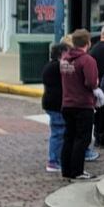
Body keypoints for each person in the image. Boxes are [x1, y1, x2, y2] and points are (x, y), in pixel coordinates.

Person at [58, 29, 101, 181]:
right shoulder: (87, 60)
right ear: (88, 43)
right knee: (82, 139)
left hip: (67, 103)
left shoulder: (64, 60)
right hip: (83, 104)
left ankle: (66, 170)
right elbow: (90, 82)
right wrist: (96, 84)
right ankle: (77, 170)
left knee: (69, 137)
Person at [41, 41, 67, 173]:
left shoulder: (49, 66)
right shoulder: (59, 66)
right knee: (58, 132)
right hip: (56, 104)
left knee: (58, 132)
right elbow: (74, 70)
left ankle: (56, 159)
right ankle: (53, 161)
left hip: (51, 103)